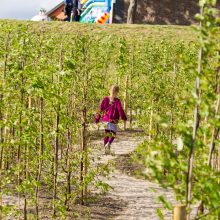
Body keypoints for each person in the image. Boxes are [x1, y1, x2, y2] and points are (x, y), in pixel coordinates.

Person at [95, 85, 127, 154]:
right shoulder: (117, 101)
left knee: (107, 134)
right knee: (113, 133)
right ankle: (108, 143)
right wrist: (124, 117)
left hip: (105, 120)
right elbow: (120, 110)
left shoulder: (105, 99)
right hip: (113, 120)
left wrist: (97, 119)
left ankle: (106, 150)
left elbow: (101, 110)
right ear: (117, 92)